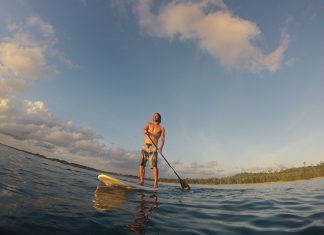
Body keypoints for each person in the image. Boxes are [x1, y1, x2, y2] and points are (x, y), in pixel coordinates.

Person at [138, 113, 165, 188]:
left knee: (154, 166)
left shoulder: (161, 128)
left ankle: (155, 184)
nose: (155, 117)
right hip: (145, 146)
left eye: (156, 116)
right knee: (141, 164)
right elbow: (144, 129)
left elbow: (162, 139)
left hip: (154, 147)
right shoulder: (148, 124)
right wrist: (145, 131)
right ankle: (142, 181)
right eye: (154, 116)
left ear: (159, 118)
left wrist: (161, 148)